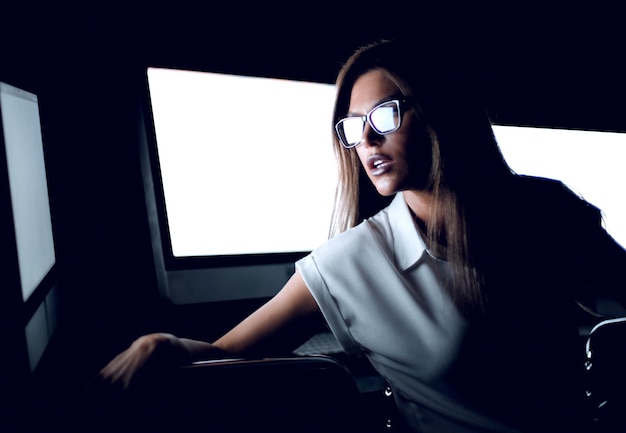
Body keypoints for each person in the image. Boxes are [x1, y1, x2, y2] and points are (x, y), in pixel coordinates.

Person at [99, 39, 626, 432]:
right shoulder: (347, 263)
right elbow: (224, 354)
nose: (366, 138)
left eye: (385, 114)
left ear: (440, 110)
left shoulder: (549, 211)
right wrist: (160, 344)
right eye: (353, 126)